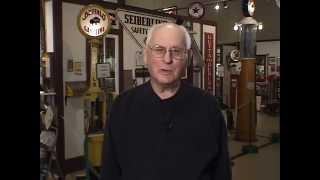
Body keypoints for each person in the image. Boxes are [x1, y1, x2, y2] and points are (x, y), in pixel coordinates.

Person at [100, 22, 231, 180]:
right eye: (159, 50)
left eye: (176, 51)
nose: (167, 59)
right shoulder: (122, 106)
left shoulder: (208, 106)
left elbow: (221, 170)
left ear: (187, 58)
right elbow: (110, 170)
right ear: (146, 55)